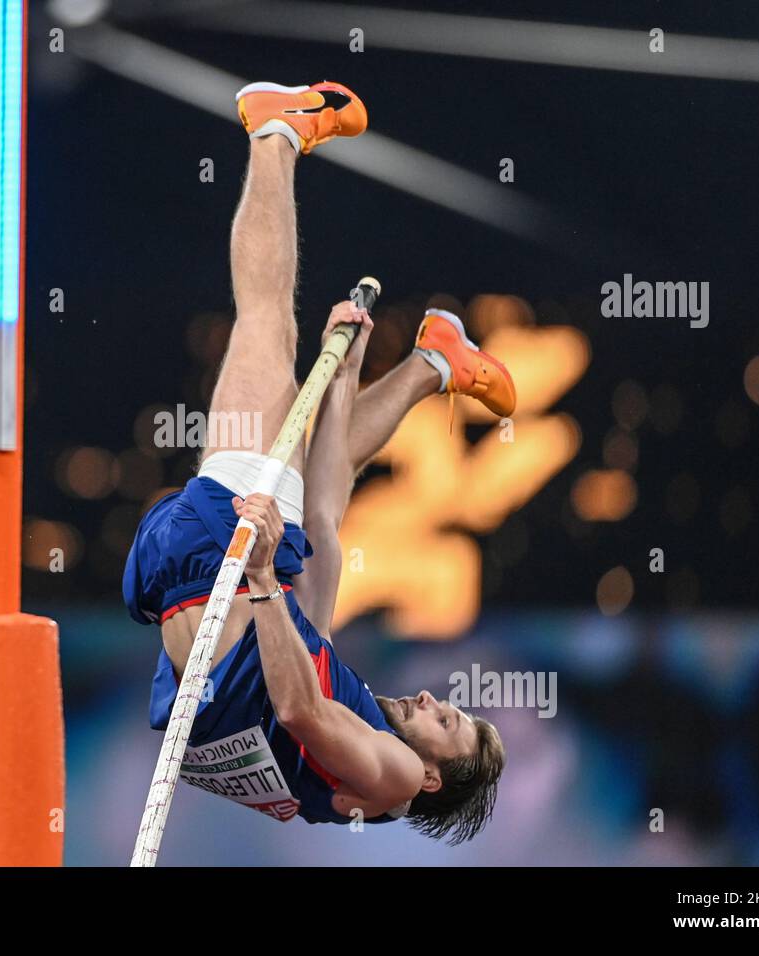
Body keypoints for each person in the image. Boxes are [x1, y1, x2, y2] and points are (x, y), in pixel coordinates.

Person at [123, 81, 515, 840]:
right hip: (200, 579)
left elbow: (298, 709)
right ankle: (431, 366)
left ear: (433, 775)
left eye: (449, 723)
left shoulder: (396, 777)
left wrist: (265, 580)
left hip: (222, 559)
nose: (433, 702)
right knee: (323, 525)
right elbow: (326, 523)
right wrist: (343, 378)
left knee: (267, 322)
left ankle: (275, 131)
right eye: (450, 705)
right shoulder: (358, 737)